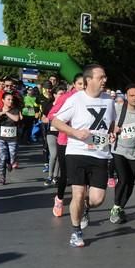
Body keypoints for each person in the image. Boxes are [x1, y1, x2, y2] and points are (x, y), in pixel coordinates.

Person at [51, 64, 116, 247]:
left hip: (100, 154)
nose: (105, 80)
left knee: (97, 199)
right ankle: (76, 231)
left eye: (105, 77)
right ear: (88, 80)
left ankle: (85, 209)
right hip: (77, 151)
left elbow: (110, 123)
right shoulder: (75, 99)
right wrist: (75, 132)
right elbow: (55, 120)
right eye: (101, 77)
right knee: (78, 193)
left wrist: (112, 132)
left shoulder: (109, 101)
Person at [109, 85, 135, 224]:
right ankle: (115, 206)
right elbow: (108, 124)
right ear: (126, 96)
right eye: (131, 95)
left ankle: (120, 208)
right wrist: (113, 129)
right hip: (119, 150)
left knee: (130, 184)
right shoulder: (118, 109)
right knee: (123, 179)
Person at [48, 73, 84, 217]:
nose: (82, 87)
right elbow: (51, 115)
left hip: (83, 142)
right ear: (74, 84)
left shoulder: (91, 98)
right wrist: (67, 122)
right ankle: (60, 198)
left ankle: (81, 205)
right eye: (80, 84)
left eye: (84, 84)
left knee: (82, 175)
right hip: (65, 140)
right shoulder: (67, 97)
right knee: (65, 174)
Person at [0, 92, 21, 184]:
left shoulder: (15, 110)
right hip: (1, 138)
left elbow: (16, 119)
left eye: (12, 100)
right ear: (3, 100)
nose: (11, 101)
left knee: (12, 157)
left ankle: (10, 162)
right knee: (2, 158)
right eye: (8, 99)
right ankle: (2, 178)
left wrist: (5, 112)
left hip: (12, 138)